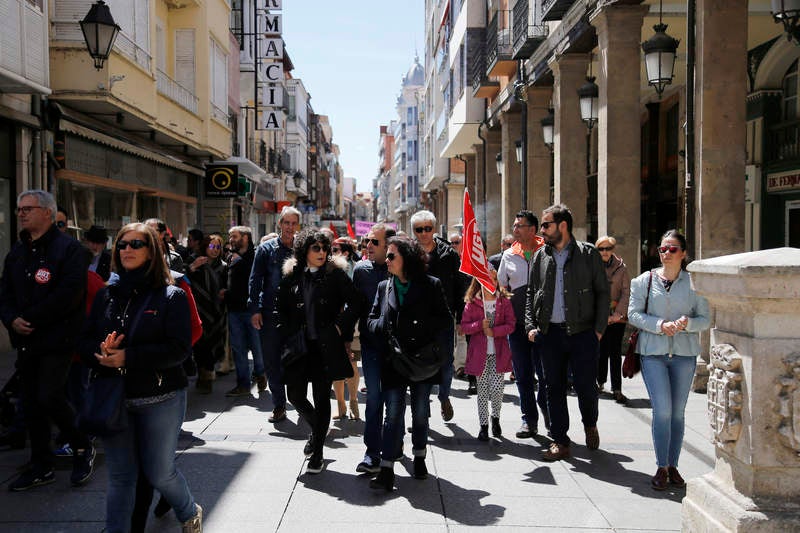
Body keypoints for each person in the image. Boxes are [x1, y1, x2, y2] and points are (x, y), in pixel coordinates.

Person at [77, 222, 201, 532]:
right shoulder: (106, 295)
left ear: (152, 252)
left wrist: (129, 357)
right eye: (122, 245)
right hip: (115, 397)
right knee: (121, 476)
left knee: (160, 473)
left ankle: (189, 511)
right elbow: (85, 338)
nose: (127, 250)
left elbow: (179, 349)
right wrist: (101, 351)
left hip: (161, 399)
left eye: (136, 244)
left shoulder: (171, 296)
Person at [0, 190, 96, 491]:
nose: (22, 214)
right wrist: (11, 318)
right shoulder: (17, 252)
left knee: (49, 395)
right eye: (19, 209)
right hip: (27, 341)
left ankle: (82, 445)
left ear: (48, 213)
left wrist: (31, 319)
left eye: (28, 209)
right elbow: (5, 294)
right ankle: (41, 464)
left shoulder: (70, 250)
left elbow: (68, 296)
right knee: (31, 403)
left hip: (58, 338)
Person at [525, 204, 609, 461]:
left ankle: (590, 423)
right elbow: (531, 293)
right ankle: (560, 440)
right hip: (550, 334)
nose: (542, 230)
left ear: (563, 226)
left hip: (583, 333)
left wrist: (598, 330)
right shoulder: (541, 256)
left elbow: (603, 293)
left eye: (546, 225)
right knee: (553, 388)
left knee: (586, 387)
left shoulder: (588, 253)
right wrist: (530, 325)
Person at [368, 235, 452, 491]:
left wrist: (423, 332)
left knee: (419, 412)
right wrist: (383, 325)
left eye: (393, 255)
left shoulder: (431, 285)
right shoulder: (385, 286)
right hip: (394, 360)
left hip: (421, 360)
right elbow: (371, 320)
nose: (388, 260)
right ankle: (386, 468)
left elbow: (445, 320)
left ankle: (419, 456)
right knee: (392, 414)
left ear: (408, 259)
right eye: (388, 255)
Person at [628, 229, 710, 491]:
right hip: (653, 353)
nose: (666, 253)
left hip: (684, 355)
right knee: (662, 410)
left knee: (677, 413)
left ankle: (673, 465)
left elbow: (706, 319)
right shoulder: (644, 281)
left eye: (672, 249)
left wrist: (686, 324)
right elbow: (633, 314)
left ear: (684, 253)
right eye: (662, 249)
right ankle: (661, 466)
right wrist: (660, 325)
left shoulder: (695, 283)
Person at [274, 229, 361, 474]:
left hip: (325, 347)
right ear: (305, 251)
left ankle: (318, 452)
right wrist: (285, 329)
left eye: (325, 248)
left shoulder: (336, 275)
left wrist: (339, 326)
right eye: (316, 248)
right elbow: (279, 306)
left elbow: (357, 302)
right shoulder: (292, 276)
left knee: (323, 398)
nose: (322, 252)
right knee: (296, 396)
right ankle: (317, 431)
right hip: (298, 346)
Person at [410, 210, 465, 422]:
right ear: (414, 231)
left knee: (446, 361)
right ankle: (422, 413)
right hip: (415, 320)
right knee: (419, 365)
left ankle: (444, 396)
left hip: (444, 317)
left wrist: (460, 317)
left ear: (434, 229)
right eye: (419, 229)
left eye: (427, 228)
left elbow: (460, 286)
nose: (423, 233)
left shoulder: (448, 255)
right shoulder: (409, 253)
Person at [498, 210, 547, 439]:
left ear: (532, 229)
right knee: (523, 375)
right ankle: (529, 420)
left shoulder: (547, 251)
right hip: (517, 327)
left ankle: (547, 410)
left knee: (546, 374)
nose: (515, 229)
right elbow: (501, 288)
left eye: (520, 226)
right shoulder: (509, 255)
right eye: (514, 225)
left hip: (545, 326)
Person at [249, 206, 300, 423]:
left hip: (297, 316)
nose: (289, 227)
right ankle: (279, 405)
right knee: (272, 361)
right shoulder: (266, 249)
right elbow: (255, 280)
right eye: (286, 223)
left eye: (293, 223)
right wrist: (255, 310)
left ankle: (299, 401)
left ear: (298, 225)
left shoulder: (303, 248)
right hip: (270, 314)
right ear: (279, 224)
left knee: (297, 359)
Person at [352, 223, 395, 474]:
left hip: (398, 348)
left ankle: (394, 443)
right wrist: (346, 338)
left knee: (395, 400)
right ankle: (372, 452)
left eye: (374, 242)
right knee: (374, 399)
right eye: (367, 241)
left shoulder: (400, 269)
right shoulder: (361, 271)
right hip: (370, 345)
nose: (367, 246)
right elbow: (355, 306)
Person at [460, 268, 515, 441]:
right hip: (479, 354)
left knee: (497, 389)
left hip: (498, 353)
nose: (490, 283)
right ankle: (483, 425)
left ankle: (496, 418)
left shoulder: (503, 301)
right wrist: (479, 325)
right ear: (479, 282)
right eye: (486, 280)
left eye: (493, 279)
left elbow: (511, 324)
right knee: (482, 391)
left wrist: (494, 331)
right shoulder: (473, 302)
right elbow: (464, 327)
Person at [223, 226, 267, 396]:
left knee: (257, 347)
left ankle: (260, 373)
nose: (231, 239)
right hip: (234, 310)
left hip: (251, 310)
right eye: (230, 236)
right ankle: (243, 384)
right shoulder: (231, 257)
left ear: (245, 238)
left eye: (234, 236)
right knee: (238, 348)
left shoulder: (255, 256)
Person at [187, 234, 227, 394]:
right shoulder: (194, 260)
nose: (215, 250)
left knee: (212, 344)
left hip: (217, 311)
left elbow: (227, 284)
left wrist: (225, 290)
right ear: (205, 247)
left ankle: (208, 377)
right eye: (212, 246)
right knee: (199, 345)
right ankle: (202, 375)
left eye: (218, 247)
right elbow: (181, 278)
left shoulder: (223, 266)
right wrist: (193, 267)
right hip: (198, 310)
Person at [595, 236, 631, 404]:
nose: (604, 252)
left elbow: (626, 292)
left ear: (613, 249)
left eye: (608, 248)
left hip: (617, 317)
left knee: (615, 353)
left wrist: (618, 314)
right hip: (598, 315)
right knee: (600, 350)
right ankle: (600, 382)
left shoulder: (622, 268)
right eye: (601, 249)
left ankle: (617, 388)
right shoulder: (592, 266)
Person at [331, 237, 360, 419]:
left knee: (352, 363)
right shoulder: (329, 269)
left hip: (353, 324)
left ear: (346, 252)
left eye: (335, 249)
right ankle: (340, 403)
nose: (331, 253)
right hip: (333, 324)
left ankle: (354, 401)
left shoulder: (357, 269)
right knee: (335, 364)